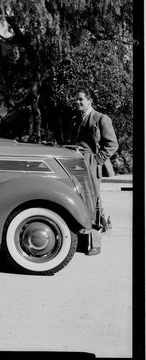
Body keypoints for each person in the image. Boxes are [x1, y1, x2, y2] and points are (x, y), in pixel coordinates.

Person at [69, 89, 118, 256]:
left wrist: (97, 160)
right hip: (76, 164)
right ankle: (82, 242)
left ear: (90, 101)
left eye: (81, 99)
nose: (77, 102)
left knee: (94, 204)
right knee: (79, 201)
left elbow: (112, 144)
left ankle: (95, 244)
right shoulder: (76, 119)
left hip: (91, 165)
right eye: (76, 100)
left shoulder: (101, 118)